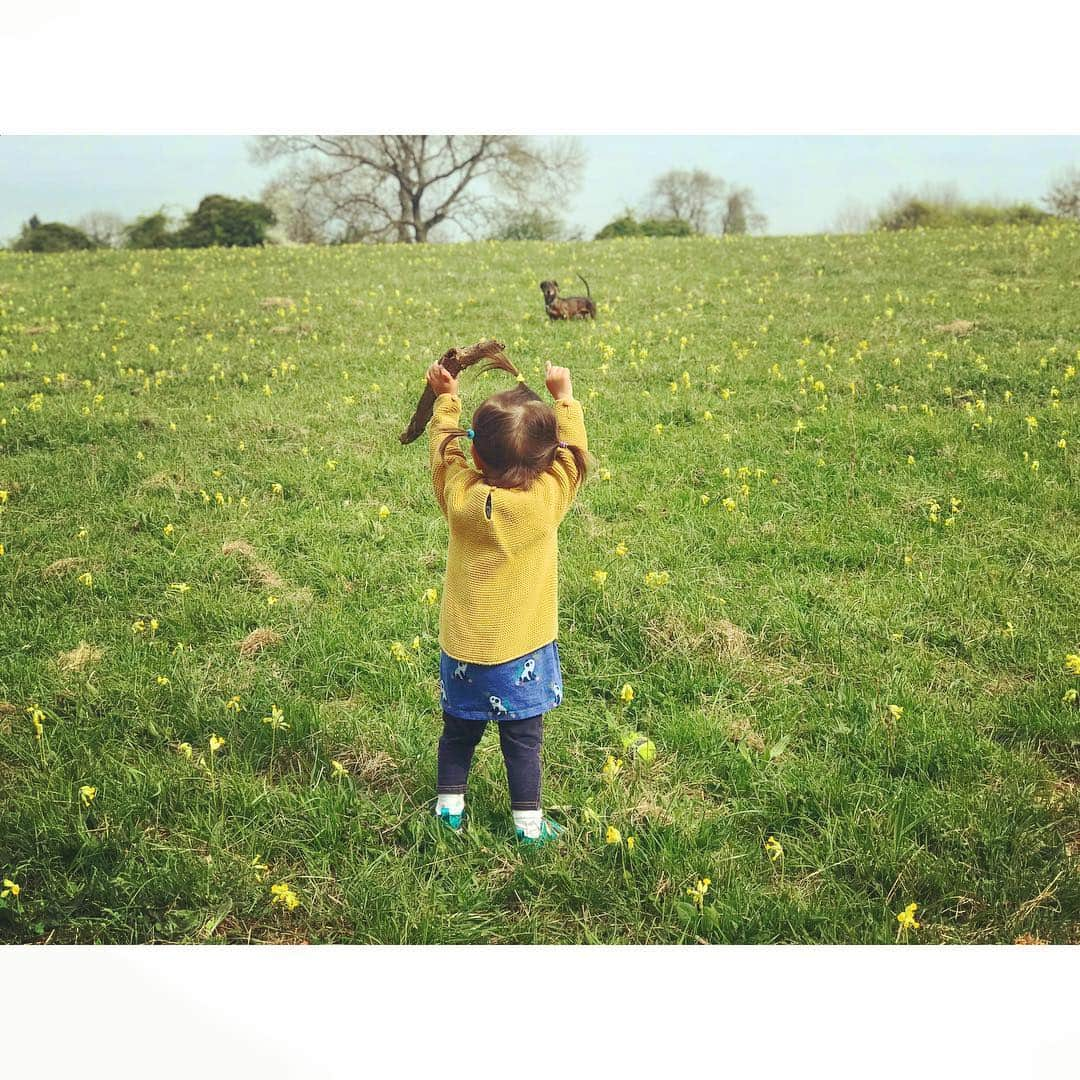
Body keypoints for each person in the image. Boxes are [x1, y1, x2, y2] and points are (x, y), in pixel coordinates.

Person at [425, 354, 589, 843]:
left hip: (464, 650)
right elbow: (572, 460)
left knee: (457, 733)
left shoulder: (461, 499)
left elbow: (444, 454)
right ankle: (528, 825)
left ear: (476, 456)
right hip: (523, 652)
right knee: (523, 741)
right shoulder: (545, 504)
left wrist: (447, 402)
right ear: (544, 459)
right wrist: (564, 398)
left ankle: (448, 810)